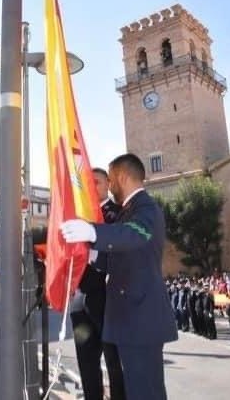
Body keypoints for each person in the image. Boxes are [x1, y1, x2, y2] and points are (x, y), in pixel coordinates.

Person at [60, 153, 178, 400]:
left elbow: (135, 233)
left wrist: (93, 231)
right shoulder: (130, 210)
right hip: (130, 318)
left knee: (146, 392)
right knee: (137, 389)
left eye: (110, 180)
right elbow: (110, 258)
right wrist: (85, 246)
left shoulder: (144, 208)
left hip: (141, 318)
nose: (110, 187)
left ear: (122, 177)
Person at [70, 167, 126, 400]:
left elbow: (118, 248)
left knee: (113, 360)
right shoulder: (77, 217)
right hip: (79, 296)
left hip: (105, 295)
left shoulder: (117, 214)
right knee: (86, 360)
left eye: (98, 183)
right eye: (88, 183)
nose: (93, 187)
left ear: (108, 185)